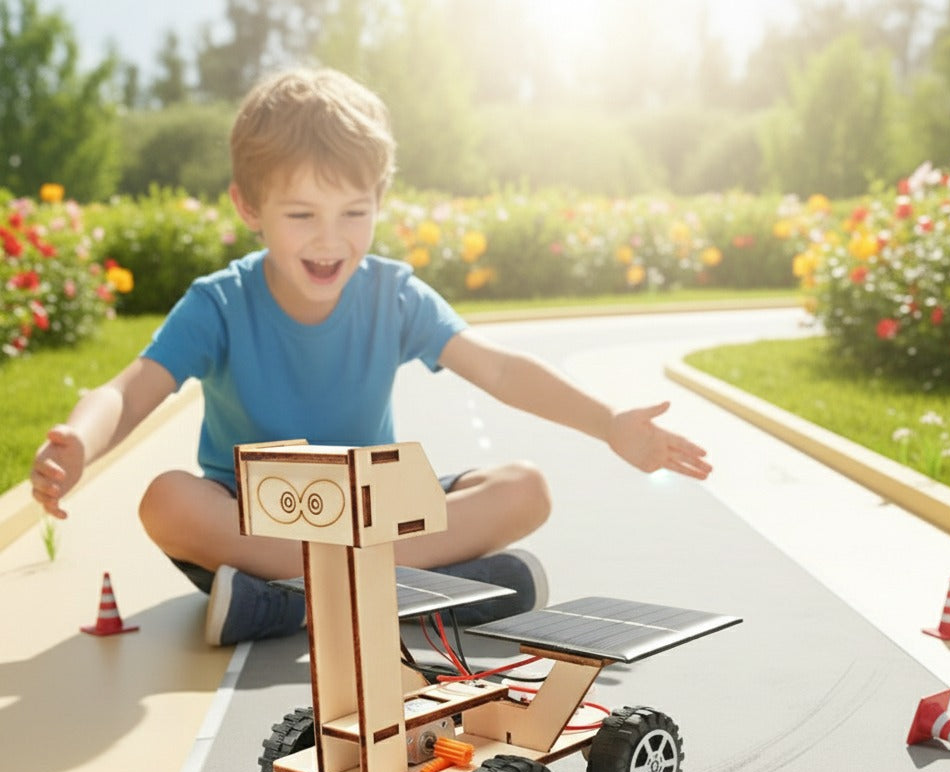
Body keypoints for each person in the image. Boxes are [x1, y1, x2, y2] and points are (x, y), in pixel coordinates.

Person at [30, 67, 712, 647]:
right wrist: (79, 444)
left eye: (353, 213)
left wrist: (609, 421)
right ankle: (400, 591)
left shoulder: (394, 295)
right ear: (249, 206)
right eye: (302, 215)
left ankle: (300, 602)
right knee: (166, 502)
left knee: (525, 487)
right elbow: (130, 389)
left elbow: (499, 368)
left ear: (380, 200)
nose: (330, 240)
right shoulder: (219, 304)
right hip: (257, 517)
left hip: (370, 506)